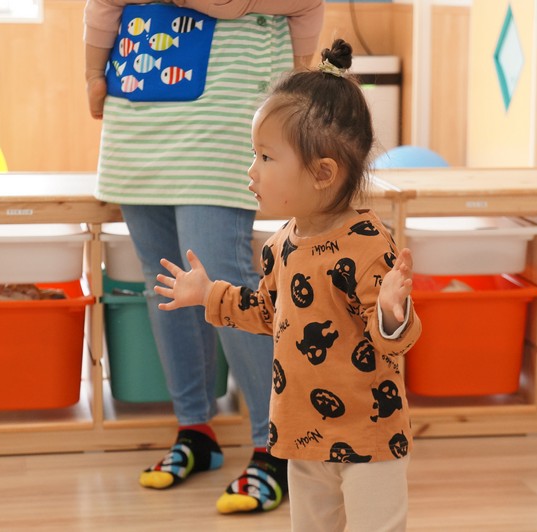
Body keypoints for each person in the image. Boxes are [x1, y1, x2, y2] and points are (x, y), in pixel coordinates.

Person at [153, 39, 423, 532]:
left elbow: (395, 342)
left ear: (322, 173)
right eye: (254, 155)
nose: (252, 171)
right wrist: (209, 294)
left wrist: (390, 311)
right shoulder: (281, 245)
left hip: (370, 435)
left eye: (266, 157)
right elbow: (268, 312)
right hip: (303, 431)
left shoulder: (368, 244)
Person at [83, 0, 324, 516]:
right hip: (139, 97)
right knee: (163, 279)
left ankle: (276, 445)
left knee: (221, 273)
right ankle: (195, 429)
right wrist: (92, 73)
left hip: (225, 109)